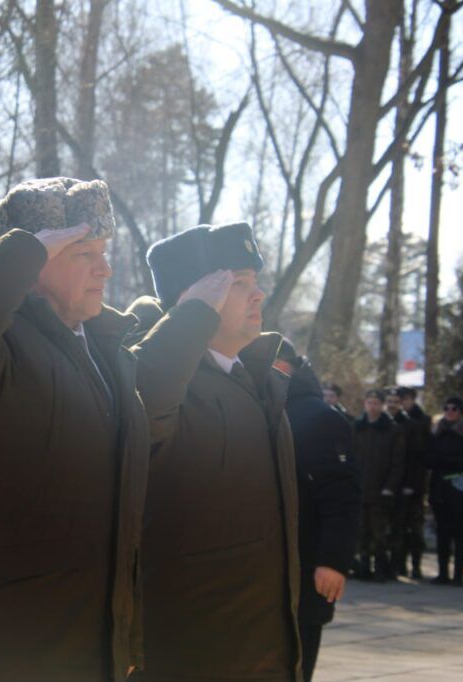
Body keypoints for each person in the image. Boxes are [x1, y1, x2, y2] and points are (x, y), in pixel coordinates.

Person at [0, 177, 149, 681]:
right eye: (83, 253)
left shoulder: (108, 353)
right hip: (6, 647)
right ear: (33, 264)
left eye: (103, 251)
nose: (104, 269)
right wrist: (23, 250)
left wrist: (124, 633)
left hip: (91, 647)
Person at [128, 223, 302, 681]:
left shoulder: (255, 377)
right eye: (239, 284)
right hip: (194, 650)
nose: (258, 294)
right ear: (196, 300)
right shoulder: (162, 380)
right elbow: (144, 409)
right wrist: (188, 321)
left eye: (255, 281)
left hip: (262, 645)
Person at [286, 348, 360, 682]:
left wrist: (332, 561)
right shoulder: (266, 407)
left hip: (308, 567)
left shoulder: (319, 418)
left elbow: (342, 498)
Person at [425, 396, 463, 586]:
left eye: (455, 409)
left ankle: (459, 574)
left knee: (460, 532)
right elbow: (429, 457)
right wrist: (443, 462)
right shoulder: (436, 431)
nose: (450, 411)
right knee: (442, 532)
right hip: (440, 487)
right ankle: (443, 572)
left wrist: (451, 462)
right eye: (447, 408)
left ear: (461, 412)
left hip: (461, 489)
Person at [353, 388, 404, 581]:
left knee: (379, 533)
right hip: (360, 489)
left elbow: (398, 462)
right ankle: (363, 567)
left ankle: (381, 569)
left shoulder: (392, 430)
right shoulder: (357, 427)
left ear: (382, 405)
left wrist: (389, 487)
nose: (372, 406)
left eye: (376, 403)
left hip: (381, 490)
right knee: (361, 531)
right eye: (369, 402)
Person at [395, 386, 431, 579]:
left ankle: (416, 565)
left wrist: (414, 482)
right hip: (395, 481)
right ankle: (399, 564)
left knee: (415, 527)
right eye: (400, 399)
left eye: (406, 399)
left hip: (415, 482)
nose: (402, 403)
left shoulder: (422, 421)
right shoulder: (395, 420)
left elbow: (421, 456)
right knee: (397, 526)